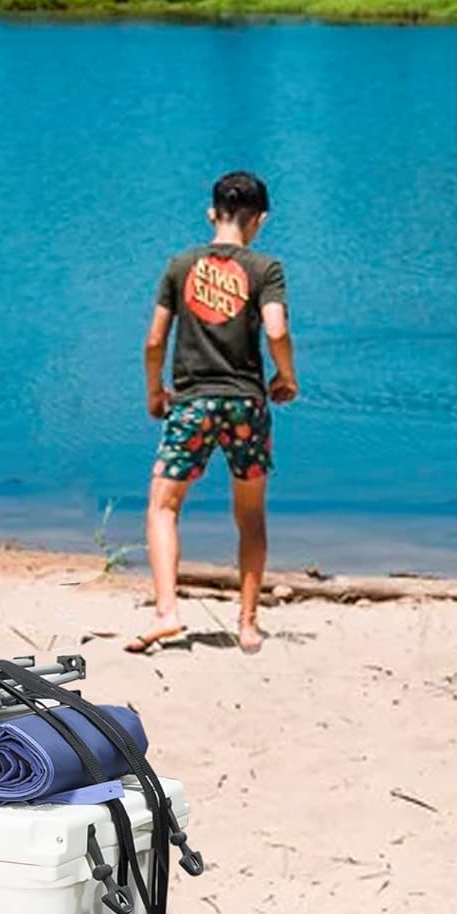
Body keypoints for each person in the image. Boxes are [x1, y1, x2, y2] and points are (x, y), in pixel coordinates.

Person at [129, 171, 298, 656]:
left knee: (164, 505)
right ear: (260, 219)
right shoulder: (266, 268)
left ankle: (167, 612)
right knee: (250, 515)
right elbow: (277, 330)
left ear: (211, 213)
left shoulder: (180, 266)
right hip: (246, 402)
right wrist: (286, 377)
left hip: (192, 401)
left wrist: (154, 391)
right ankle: (246, 624)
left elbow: (154, 339)